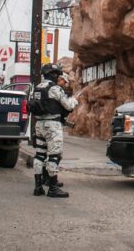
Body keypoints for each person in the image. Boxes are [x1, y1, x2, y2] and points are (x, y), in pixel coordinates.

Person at [30, 64, 78, 198]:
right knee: (54, 156)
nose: (58, 76)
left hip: (39, 124)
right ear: (53, 74)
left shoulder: (37, 87)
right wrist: (74, 101)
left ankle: (38, 187)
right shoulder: (55, 89)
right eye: (57, 74)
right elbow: (68, 105)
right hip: (52, 126)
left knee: (39, 155)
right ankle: (53, 188)